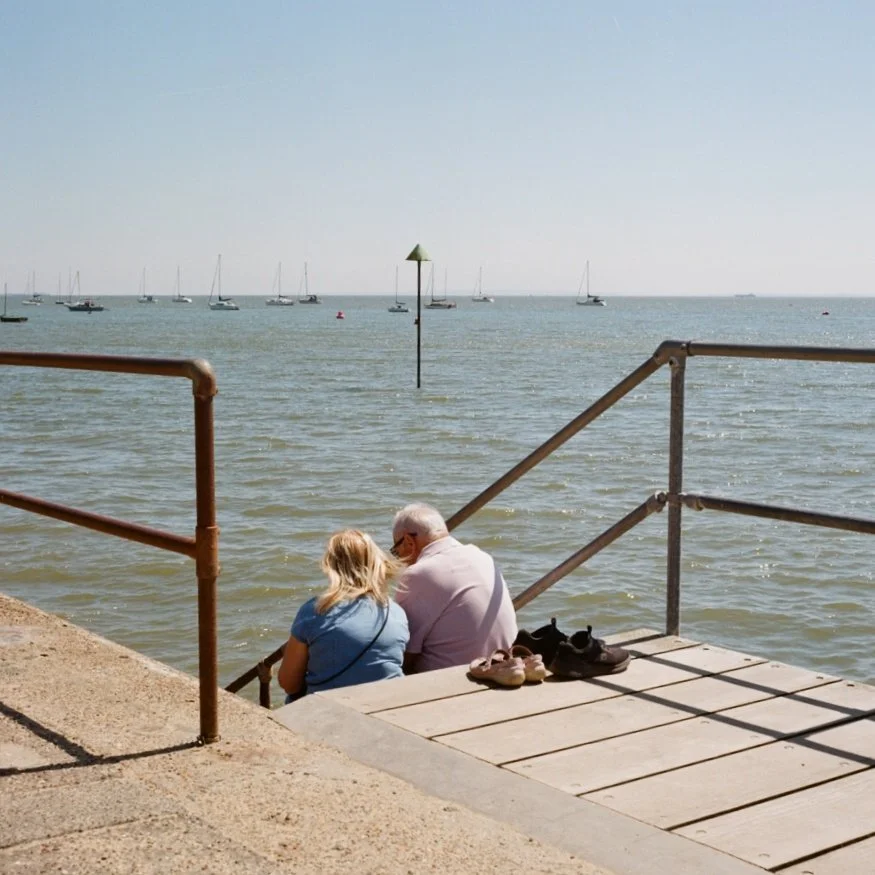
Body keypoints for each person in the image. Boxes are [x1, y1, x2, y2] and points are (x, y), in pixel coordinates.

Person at [278, 529, 409, 702]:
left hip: (330, 712)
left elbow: (289, 684)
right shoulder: (396, 613)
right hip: (386, 708)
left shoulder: (314, 610)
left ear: (331, 565)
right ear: (377, 563)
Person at [391, 503, 517, 673]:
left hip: (453, 680)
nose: (400, 561)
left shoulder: (418, 574)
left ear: (408, 541)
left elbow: (403, 654)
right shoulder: (481, 556)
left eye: (396, 551)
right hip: (501, 666)